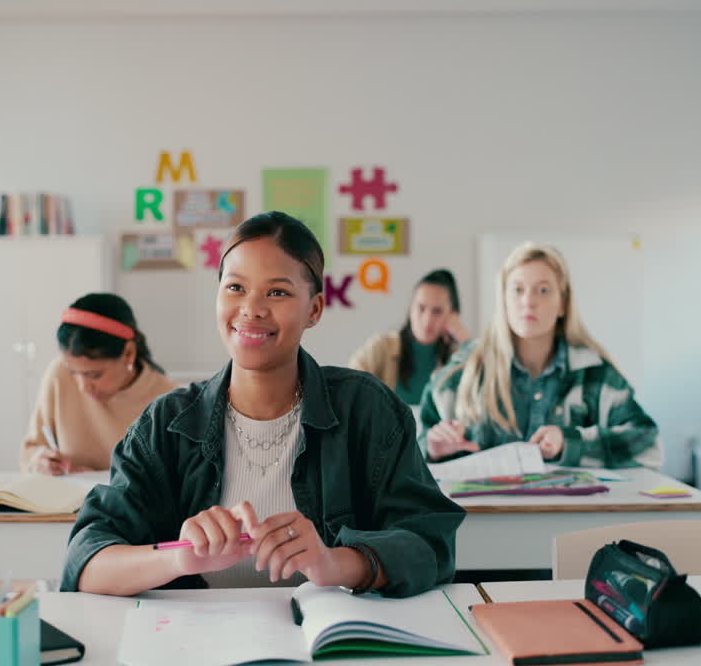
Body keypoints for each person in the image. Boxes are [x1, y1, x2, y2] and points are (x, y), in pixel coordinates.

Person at [63, 211, 463, 597]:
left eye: (277, 292)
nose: (251, 309)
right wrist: (178, 560)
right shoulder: (166, 422)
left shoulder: (366, 408)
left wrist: (335, 563)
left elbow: (431, 544)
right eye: (235, 287)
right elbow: (86, 563)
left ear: (315, 309)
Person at [418, 241, 660, 469]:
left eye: (543, 290)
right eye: (517, 290)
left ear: (563, 303)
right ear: (503, 300)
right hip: (480, 514)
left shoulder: (594, 373)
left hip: (567, 513)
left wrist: (570, 442)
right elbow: (403, 450)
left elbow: (649, 445)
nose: (528, 301)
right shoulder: (463, 370)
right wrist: (430, 448)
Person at [20, 293, 177, 475]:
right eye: (74, 373)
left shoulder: (169, 398)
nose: (82, 386)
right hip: (66, 501)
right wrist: (40, 460)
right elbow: (30, 450)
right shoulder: (59, 374)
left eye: (94, 375)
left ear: (128, 354)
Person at [348, 268, 469, 405]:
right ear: (410, 309)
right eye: (421, 308)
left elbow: (486, 394)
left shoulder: (459, 355)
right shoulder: (382, 347)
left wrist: (466, 341)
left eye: (437, 311)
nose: (427, 320)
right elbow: (349, 388)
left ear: (452, 315)